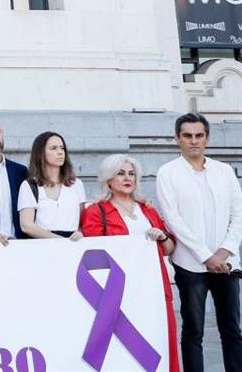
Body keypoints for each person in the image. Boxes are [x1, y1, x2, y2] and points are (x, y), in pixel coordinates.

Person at [156, 113, 242, 372]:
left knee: (232, 329)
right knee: (193, 331)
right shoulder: (167, 173)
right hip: (190, 265)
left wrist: (225, 251)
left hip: (226, 263)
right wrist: (207, 256)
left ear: (207, 138)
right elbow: (173, 220)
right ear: (177, 139)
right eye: (187, 136)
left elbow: (237, 213)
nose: (194, 141)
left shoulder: (224, 171)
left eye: (199, 135)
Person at [81, 154, 177, 372]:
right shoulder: (96, 211)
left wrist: (162, 237)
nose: (127, 178)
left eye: (131, 174)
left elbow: (169, 248)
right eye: (120, 173)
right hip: (118, 292)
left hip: (154, 287)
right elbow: (93, 255)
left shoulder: (148, 210)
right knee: (123, 349)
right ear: (108, 180)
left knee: (160, 337)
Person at [17, 131, 86, 240]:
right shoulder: (29, 185)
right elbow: (27, 226)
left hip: (72, 245)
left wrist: (80, 232)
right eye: (53, 148)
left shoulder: (76, 184)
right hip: (42, 244)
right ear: (41, 153)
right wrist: (58, 240)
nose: (60, 152)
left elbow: (83, 221)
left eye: (62, 148)